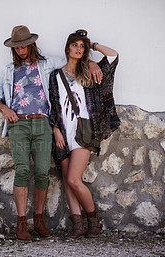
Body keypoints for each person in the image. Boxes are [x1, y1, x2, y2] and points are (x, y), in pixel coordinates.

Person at [0, 25, 103, 241]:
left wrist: (92, 62)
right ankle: (22, 224)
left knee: (42, 172)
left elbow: (74, 62)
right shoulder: (6, 70)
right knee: (22, 170)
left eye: (23, 46)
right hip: (18, 125)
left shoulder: (48, 63)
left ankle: (39, 219)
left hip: (42, 125)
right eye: (17, 47)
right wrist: (5, 109)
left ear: (31, 44)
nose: (21, 51)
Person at [49, 29, 120, 239]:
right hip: (63, 131)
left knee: (73, 179)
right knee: (66, 178)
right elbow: (53, 105)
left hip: (84, 131)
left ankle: (94, 222)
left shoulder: (89, 72)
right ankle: (78, 227)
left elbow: (114, 56)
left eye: (82, 45)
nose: (79, 49)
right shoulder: (56, 76)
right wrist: (55, 130)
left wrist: (93, 47)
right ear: (67, 48)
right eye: (75, 45)